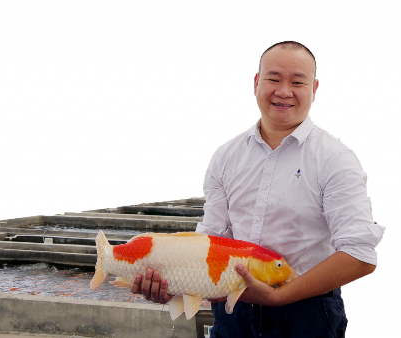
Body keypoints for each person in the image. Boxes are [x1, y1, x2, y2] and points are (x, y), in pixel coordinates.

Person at [131, 41, 385, 338]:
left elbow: (360, 254)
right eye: (274, 79)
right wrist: (173, 286)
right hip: (232, 310)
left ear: (314, 89)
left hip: (307, 312)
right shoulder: (226, 156)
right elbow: (212, 238)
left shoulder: (335, 160)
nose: (284, 91)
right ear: (256, 82)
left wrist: (278, 296)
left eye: (298, 82)